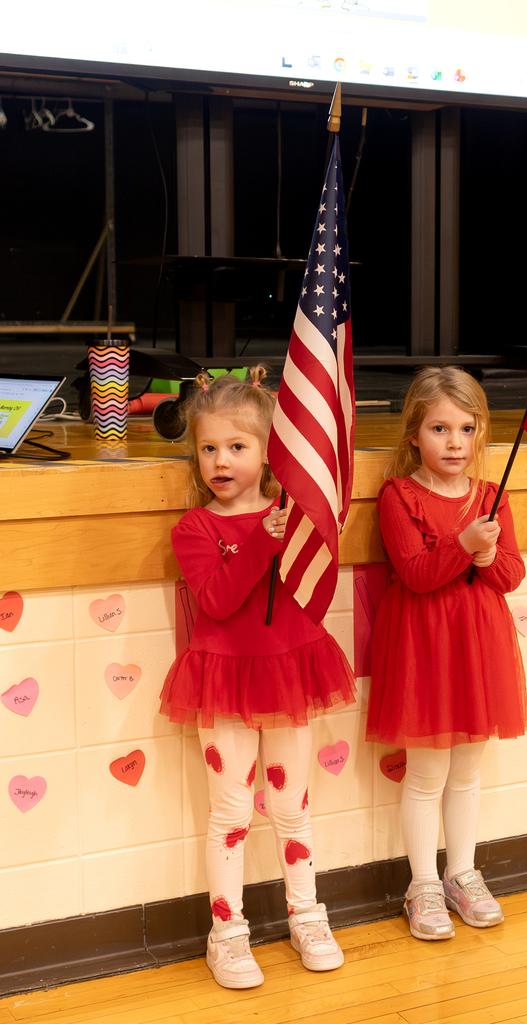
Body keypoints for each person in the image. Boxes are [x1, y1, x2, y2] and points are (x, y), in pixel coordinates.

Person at [159, 368, 356, 988]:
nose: (220, 460)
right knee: (231, 812)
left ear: (270, 451)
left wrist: (289, 531)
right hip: (221, 682)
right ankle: (228, 933)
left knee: (292, 807)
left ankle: (307, 915)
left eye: (237, 447)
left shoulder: (291, 516)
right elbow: (216, 601)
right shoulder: (195, 528)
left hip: (286, 675)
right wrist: (259, 546)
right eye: (209, 448)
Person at [366, 366, 527, 941]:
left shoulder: (491, 497)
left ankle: (462, 873)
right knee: (427, 772)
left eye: (466, 428)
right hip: (424, 647)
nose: (454, 442)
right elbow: (415, 574)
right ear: (415, 433)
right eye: (440, 428)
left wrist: (488, 558)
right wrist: (464, 544)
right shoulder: (398, 497)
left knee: (468, 772)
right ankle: (423, 885)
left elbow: (511, 575)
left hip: (478, 646)